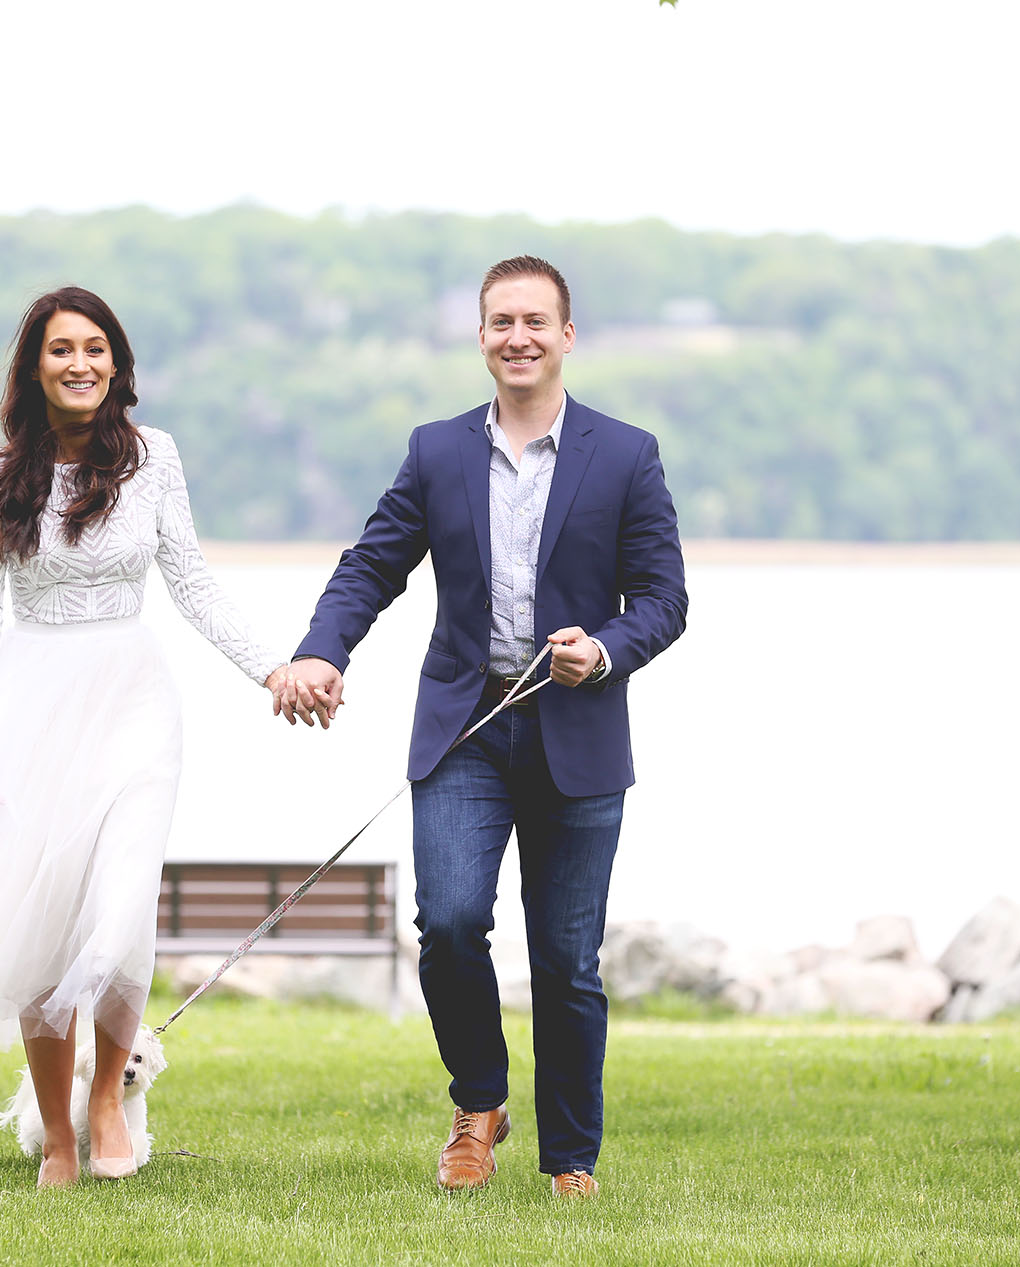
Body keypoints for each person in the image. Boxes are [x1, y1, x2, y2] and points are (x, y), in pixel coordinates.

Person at [0, 286, 312, 1189]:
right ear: (34, 367)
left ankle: (109, 1097)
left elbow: (195, 583)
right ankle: (56, 1129)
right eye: (63, 349)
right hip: (32, 704)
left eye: (96, 347)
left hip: (136, 702)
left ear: (117, 362)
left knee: (124, 903)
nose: (81, 363)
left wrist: (275, 668)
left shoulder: (154, 458)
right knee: (46, 917)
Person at [281, 256, 688, 1197]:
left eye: (536, 322)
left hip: (577, 730)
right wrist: (321, 651)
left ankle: (571, 1160)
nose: (519, 337)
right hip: (464, 730)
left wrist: (610, 650)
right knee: (453, 923)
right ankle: (479, 1104)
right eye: (502, 321)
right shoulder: (437, 451)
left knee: (566, 958)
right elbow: (371, 565)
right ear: (480, 337)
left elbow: (664, 598)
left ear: (567, 335)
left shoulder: (627, 454)